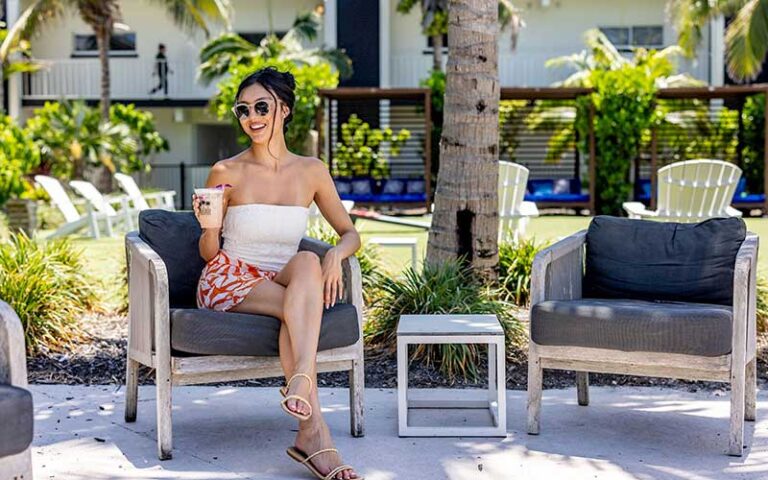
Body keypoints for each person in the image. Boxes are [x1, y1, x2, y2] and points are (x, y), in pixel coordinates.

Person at [192, 67, 362, 480]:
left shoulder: (310, 171)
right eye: (243, 109)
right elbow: (208, 254)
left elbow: (350, 233)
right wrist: (209, 228)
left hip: (284, 275)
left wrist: (336, 255)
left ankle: (306, 411)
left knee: (307, 260)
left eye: (262, 107)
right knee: (297, 305)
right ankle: (313, 428)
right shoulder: (225, 171)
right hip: (228, 278)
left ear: (283, 110)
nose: (252, 117)